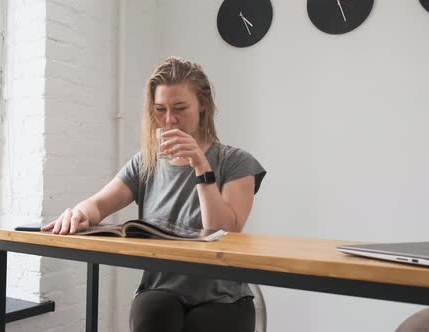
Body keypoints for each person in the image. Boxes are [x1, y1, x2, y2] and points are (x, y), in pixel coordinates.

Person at [42, 56, 266, 332]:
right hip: (161, 290)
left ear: (203, 106)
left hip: (224, 297)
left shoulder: (235, 162)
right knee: (153, 314)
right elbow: (99, 204)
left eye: (180, 108)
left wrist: (201, 165)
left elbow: (223, 230)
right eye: (160, 109)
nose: (169, 119)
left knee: (205, 323)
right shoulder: (145, 163)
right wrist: (78, 213)